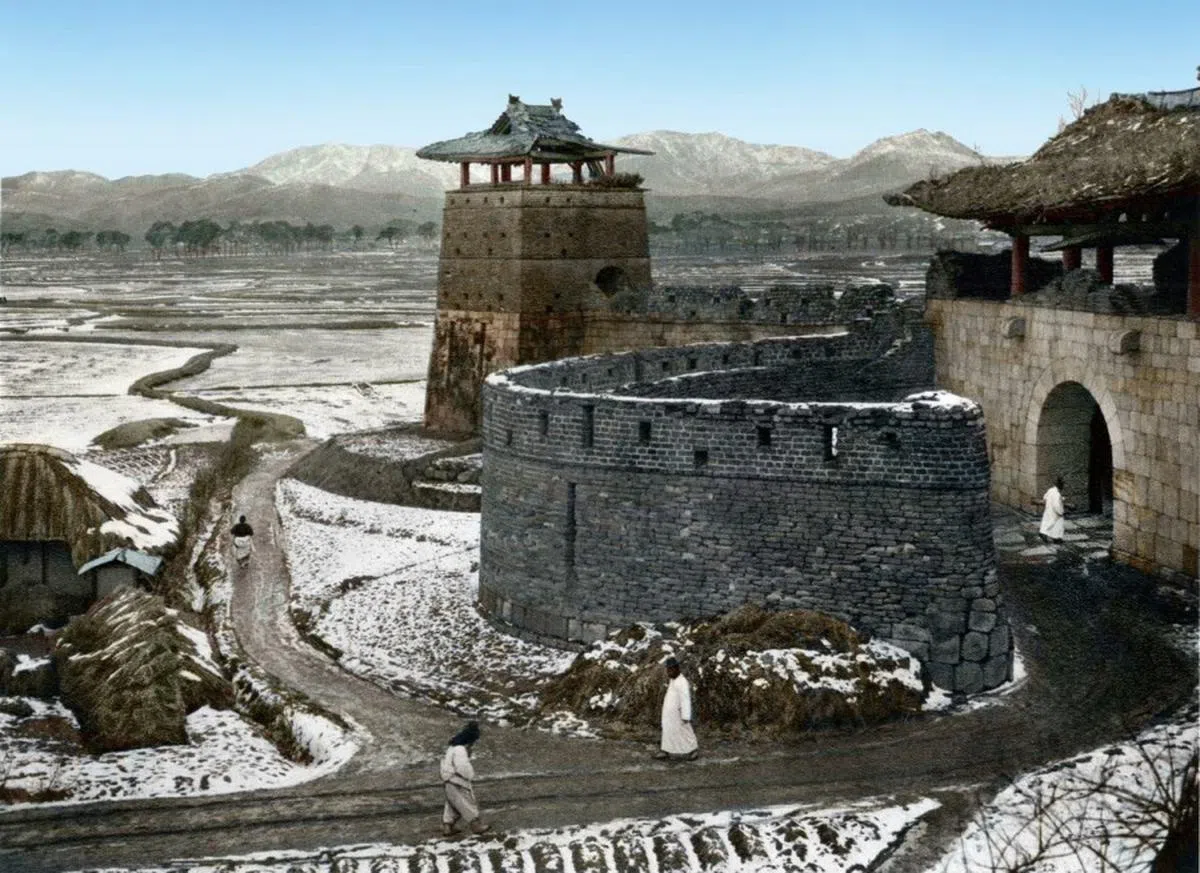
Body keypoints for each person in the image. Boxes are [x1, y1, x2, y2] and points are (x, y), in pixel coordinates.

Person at [439, 720, 490, 837]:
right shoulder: (460, 750)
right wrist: (470, 775)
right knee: (467, 803)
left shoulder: (452, 748)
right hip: (457, 781)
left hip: (448, 780)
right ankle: (476, 826)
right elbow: (462, 767)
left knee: (452, 804)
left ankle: (448, 827)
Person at [655, 656, 699, 761]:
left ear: (677, 669)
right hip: (669, 715)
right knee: (668, 731)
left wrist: (686, 715)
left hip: (679, 714)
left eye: (671, 669)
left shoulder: (682, 682)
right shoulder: (673, 680)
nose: (669, 672)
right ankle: (666, 750)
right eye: (668, 670)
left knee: (685, 731)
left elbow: (685, 699)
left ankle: (693, 750)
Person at [1038, 477, 1066, 544]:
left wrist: (1061, 499)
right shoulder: (1057, 494)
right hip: (1055, 513)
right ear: (1060, 485)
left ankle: (1043, 533)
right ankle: (1056, 538)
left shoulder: (1050, 490)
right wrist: (1061, 512)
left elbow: (1045, 497)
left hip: (1048, 510)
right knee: (1058, 525)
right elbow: (1056, 505)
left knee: (1048, 523)